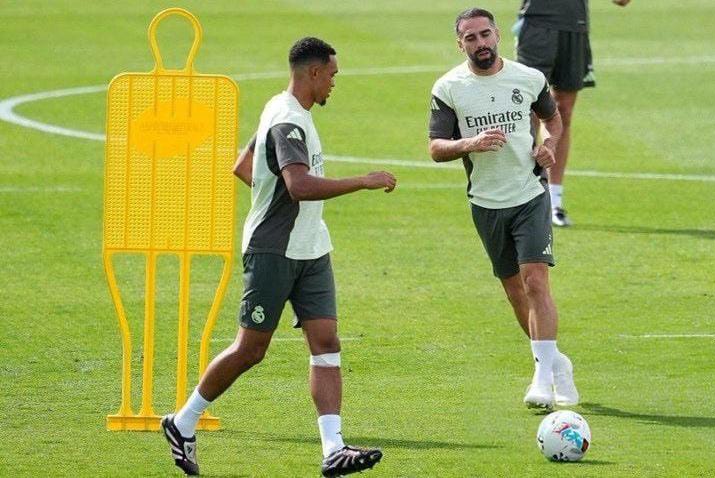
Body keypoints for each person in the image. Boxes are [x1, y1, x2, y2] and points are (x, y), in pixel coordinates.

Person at [161, 37, 396, 477]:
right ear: (313, 73)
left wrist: (269, 196)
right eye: (332, 75)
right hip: (274, 250)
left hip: (312, 248)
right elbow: (299, 186)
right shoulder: (288, 121)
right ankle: (182, 421)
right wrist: (363, 181)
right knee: (251, 349)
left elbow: (243, 165)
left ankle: (334, 449)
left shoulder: (281, 107)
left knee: (326, 342)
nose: (334, 83)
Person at [428, 8, 578, 409]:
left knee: (535, 282)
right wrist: (470, 143)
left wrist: (548, 145)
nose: (480, 43)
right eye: (470, 38)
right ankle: (556, 363)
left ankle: (542, 378)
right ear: (459, 44)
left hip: (529, 194)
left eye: (485, 34)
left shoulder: (528, 78)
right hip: (486, 203)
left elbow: (553, 121)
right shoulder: (449, 88)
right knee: (515, 292)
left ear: (497, 35)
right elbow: (435, 148)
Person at [515, 0, 631, 226]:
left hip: (575, 26)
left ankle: (554, 202)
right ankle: (523, 196)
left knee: (563, 111)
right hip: (538, 24)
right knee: (530, 110)